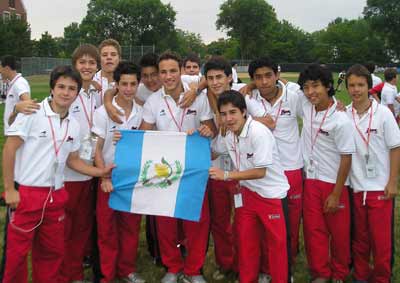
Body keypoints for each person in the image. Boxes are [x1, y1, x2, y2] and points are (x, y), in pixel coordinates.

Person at [2, 65, 114, 283]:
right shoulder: (32, 112)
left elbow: (73, 160)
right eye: (61, 87)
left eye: (71, 88)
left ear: (77, 93)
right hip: (27, 195)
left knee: (52, 253)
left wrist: (100, 172)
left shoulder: (74, 124)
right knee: (16, 255)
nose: (66, 92)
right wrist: (9, 189)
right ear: (52, 89)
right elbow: (9, 149)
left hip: (56, 195)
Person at [139, 51, 215, 283]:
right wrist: (128, 140)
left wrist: (206, 130)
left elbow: (209, 126)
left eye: (173, 71)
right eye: (164, 72)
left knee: (196, 220)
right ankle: (173, 267)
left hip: (193, 166)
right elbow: (145, 131)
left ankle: (193, 269)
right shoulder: (153, 100)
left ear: (181, 70)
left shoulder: (197, 95)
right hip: (165, 169)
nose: (168, 76)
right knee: (165, 221)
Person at [209, 90, 290, 283]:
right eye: (223, 114)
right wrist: (194, 136)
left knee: (276, 246)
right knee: (246, 242)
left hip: (272, 196)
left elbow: (260, 172)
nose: (228, 118)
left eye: (233, 112)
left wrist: (227, 175)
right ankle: (247, 278)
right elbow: (212, 153)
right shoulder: (228, 134)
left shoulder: (258, 132)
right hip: (247, 194)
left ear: (244, 112)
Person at [297, 64, 355, 283]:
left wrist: (336, 193)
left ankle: (339, 272)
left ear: (328, 86)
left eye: (316, 86)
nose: (311, 92)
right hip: (310, 181)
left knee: (339, 234)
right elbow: (280, 83)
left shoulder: (341, 119)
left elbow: (346, 158)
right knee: (314, 232)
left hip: (333, 183)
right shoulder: (306, 106)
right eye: (306, 87)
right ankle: (321, 273)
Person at [246, 57, 303, 277]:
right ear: (252, 80)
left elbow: (314, 109)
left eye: (268, 75)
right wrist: (248, 88)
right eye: (258, 78)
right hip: (263, 170)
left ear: (277, 75)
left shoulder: (294, 95)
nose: (264, 81)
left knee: (290, 224)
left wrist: (335, 103)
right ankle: (266, 267)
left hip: (291, 168)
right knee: (265, 225)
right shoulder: (249, 98)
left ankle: (286, 266)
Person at [345, 64, 400, 283]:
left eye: (360, 85)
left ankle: (381, 277)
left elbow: (395, 148)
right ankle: (360, 275)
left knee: (381, 240)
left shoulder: (383, 113)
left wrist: (393, 181)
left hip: (380, 188)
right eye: (351, 85)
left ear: (369, 86)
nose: (356, 90)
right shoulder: (344, 114)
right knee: (360, 238)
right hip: (357, 187)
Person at [93, 62, 145, 283]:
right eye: (124, 84)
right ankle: (108, 274)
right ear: (116, 84)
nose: (128, 88)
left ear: (138, 84)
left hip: (132, 178)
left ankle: (126, 269)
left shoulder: (142, 112)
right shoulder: (103, 112)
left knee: (130, 227)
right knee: (106, 230)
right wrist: (103, 176)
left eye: (133, 84)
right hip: (109, 178)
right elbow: (96, 148)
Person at [60, 43, 101, 283]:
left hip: (88, 173)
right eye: (82, 62)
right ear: (75, 64)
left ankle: (74, 273)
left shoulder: (92, 94)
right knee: (64, 230)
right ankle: (62, 274)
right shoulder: (68, 93)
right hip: (66, 174)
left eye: (91, 62)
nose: (87, 66)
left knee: (81, 229)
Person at [203, 56, 241, 280]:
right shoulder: (202, 100)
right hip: (216, 172)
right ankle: (226, 263)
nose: (215, 82)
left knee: (243, 221)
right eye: (210, 78)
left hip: (241, 174)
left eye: (219, 77)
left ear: (229, 78)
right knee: (220, 221)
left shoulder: (244, 96)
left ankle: (244, 262)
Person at [0, 55, 31, 134]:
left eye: (0, 68)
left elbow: (28, 103)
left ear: (7, 68)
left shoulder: (19, 83)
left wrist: (13, 115)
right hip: (13, 130)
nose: (0, 71)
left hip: (16, 131)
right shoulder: (14, 82)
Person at [93, 39, 121, 105]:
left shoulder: (127, 83)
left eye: (113, 55)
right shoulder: (90, 82)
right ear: (99, 59)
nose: (109, 57)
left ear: (119, 58)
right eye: (104, 55)